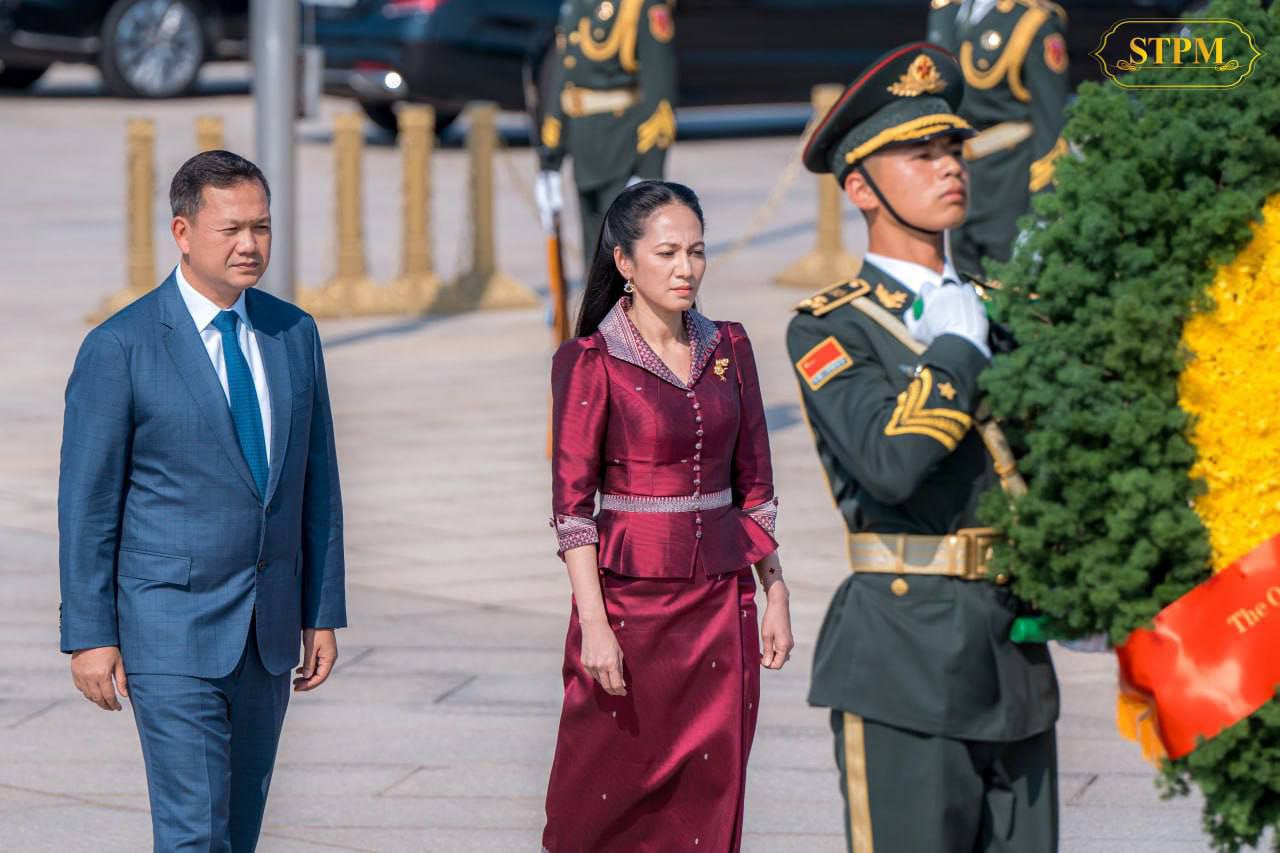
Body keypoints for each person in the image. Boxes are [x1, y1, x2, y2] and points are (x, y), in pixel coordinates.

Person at [786, 44, 1059, 851]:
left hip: (1015, 657)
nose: (949, 167)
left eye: (952, 149)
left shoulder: (1001, 308)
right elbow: (890, 462)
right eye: (920, 153)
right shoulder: (830, 325)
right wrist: (955, 352)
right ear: (861, 186)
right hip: (904, 662)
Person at [58, 150, 347, 851]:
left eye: (262, 227)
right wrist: (90, 632)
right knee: (193, 835)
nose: (250, 244)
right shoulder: (121, 346)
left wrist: (320, 611)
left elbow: (318, 485)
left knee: (236, 833)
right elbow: (88, 505)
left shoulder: (291, 333)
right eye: (231, 229)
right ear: (183, 232)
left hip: (268, 633)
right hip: (170, 629)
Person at [542, 180, 793, 851]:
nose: (686, 268)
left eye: (697, 252)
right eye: (668, 253)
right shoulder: (589, 361)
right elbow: (572, 509)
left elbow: (756, 483)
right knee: (599, 797)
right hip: (628, 607)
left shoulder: (731, 346)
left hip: (722, 602)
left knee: (711, 797)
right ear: (624, 262)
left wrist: (775, 590)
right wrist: (593, 624)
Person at [535, 0, 678, 275]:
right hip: (583, 149)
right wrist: (549, 163)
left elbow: (660, 95)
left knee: (624, 266)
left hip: (622, 149)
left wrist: (649, 173)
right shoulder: (576, 6)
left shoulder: (642, 7)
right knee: (594, 264)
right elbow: (563, 81)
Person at [927, 0, 1069, 275]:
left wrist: (1044, 204)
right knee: (964, 284)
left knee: (1007, 288)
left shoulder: (1034, 20)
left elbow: (1051, 122)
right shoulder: (945, 10)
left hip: (1009, 177)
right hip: (958, 175)